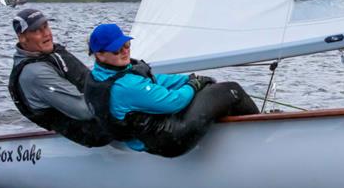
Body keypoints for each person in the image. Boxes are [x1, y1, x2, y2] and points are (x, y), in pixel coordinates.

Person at [84, 23, 259, 158]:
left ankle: (237, 133)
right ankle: (262, 139)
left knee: (207, 93)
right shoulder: (125, 87)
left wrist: (188, 79)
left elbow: (156, 80)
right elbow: (174, 102)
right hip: (171, 139)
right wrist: (194, 85)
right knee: (231, 91)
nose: (124, 52)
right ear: (99, 54)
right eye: (116, 50)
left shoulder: (102, 76)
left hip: (149, 138)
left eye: (127, 45)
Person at [8, 8, 113, 147]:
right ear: (22, 38)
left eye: (46, 26)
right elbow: (85, 110)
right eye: (37, 30)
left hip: (96, 108)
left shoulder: (49, 53)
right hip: (93, 132)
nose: (46, 34)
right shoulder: (35, 73)